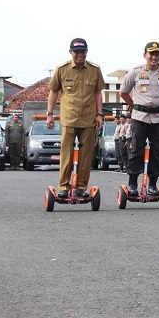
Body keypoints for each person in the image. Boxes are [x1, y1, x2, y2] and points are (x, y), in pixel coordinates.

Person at [46, 38, 105, 198]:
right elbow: (53, 91)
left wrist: (100, 115)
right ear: (70, 52)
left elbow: (98, 93)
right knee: (66, 153)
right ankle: (64, 187)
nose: (80, 54)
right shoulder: (62, 69)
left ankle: (81, 187)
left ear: (86, 52)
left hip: (89, 118)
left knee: (86, 155)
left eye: (83, 51)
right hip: (69, 118)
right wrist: (50, 115)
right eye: (77, 51)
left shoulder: (94, 69)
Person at [120, 42, 159, 196]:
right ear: (144, 55)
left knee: (157, 152)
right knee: (136, 150)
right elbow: (124, 92)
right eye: (151, 54)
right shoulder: (135, 72)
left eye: (157, 54)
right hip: (140, 117)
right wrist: (135, 105)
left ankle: (153, 184)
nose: (154, 57)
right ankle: (132, 182)